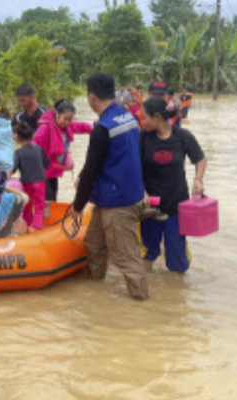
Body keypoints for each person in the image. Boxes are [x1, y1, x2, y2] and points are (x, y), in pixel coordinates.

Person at [72, 73, 150, 301]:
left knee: (126, 258)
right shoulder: (128, 117)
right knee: (93, 244)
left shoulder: (102, 129)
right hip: (119, 195)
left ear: (92, 98)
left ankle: (143, 307)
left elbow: (90, 169)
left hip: (118, 203)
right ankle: (95, 295)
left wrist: (78, 206)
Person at [139, 97, 207, 273]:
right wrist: (141, 191)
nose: (142, 121)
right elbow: (133, 168)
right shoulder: (142, 138)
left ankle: (177, 296)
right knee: (146, 252)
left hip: (176, 206)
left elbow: (200, 158)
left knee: (177, 259)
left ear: (157, 118)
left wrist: (198, 179)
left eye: (145, 117)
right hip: (150, 208)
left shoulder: (183, 136)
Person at [33, 99, 92, 203]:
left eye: (70, 119)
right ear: (57, 115)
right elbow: (34, 142)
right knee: (48, 201)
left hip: (53, 172)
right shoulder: (46, 127)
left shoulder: (69, 126)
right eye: (65, 119)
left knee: (53, 198)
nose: (68, 122)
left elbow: (82, 126)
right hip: (42, 172)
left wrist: (98, 129)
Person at [10, 124, 49, 230]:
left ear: (18, 139)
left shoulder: (18, 153)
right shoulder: (39, 149)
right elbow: (46, 164)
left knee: (27, 206)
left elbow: (12, 170)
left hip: (27, 183)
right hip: (40, 182)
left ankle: (27, 227)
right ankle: (37, 227)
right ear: (32, 137)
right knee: (39, 207)